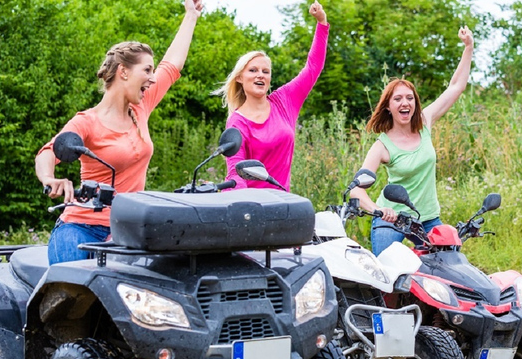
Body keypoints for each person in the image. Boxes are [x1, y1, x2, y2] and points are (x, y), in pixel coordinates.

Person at [35, 0, 202, 264]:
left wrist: (191, 15)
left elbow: (172, 65)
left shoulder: (141, 107)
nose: (153, 77)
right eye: (146, 70)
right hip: (79, 228)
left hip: (126, 231)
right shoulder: (88, 121)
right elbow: (48, 152)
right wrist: (49, 179)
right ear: (123, 72)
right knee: (77, 296)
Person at [350, 27, 474, 256]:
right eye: (397, 99)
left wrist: (468, 47)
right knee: (388, 278)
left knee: (448, 267)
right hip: (393, 218)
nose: (404, 102)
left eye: (409, 98)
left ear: (415, 103)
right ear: (389, 106)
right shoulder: (382, 146)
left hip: (427, 219)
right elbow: (356, 191)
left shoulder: (425, 122)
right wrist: (379, 210)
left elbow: (456, 87)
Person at [214, 1, 328, 191]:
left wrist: (322, 22)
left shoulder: (284, 101)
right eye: (253, 70)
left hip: (284, 202)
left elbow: (313, 68)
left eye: (265, 71)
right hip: (252, 207)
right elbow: (235, 171)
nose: (260, 75)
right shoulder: (237, 122)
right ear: (240, 78)